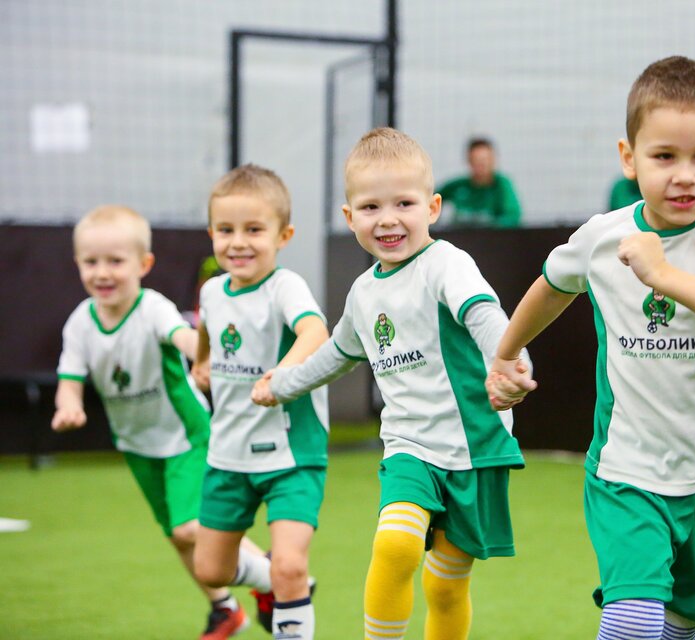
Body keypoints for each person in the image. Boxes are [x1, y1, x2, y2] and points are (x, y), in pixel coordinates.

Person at [487, 56, 695, 640]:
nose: (685, 176)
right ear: (629, 158)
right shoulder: (603, 236)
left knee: (677, 626)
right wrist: (506, 353)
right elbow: (552, 284)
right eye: (664, 156)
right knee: (633, 622)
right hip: (627, 470)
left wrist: (665, 276)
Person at [250, 127, 530, 640]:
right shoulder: (363, 293)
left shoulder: (447, 264)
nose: (387, 219)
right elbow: (336, 355)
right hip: (409, 445)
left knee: (446, 586)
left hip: (475, 446)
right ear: (349, 216)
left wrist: (508, 359)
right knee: (395, 545)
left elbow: (484, 314)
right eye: (370, 206)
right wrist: (285, 383)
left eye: (404, 203)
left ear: (432, 207)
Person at [52, 204, 258, 639]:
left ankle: (273, 575)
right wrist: (68, 406)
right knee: (176, 536)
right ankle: (224, 608)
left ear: (143, 264)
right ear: (78, 264)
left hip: (186, 435)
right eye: (91, 262)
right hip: (136, 444)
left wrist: (205, 355)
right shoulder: (80, 323)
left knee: (190, 527)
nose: (102, 273)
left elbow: (183, 336)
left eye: (115, 261)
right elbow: (69, 379)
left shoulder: (152, 308)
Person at [190, 165, 330, 640]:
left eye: (254, 230)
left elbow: (315, 331)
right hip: (228, 454)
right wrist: (202, 361)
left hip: (291, 456)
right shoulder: (212, 291)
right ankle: (274, 580)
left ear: (283, 235)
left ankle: (287, 583)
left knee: (290, 564)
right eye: (226, 230)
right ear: (212, 233)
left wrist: (280, 375)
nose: (238, 243)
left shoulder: (284, 287)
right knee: (211, 570)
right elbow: (207, 327)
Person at [437, 136, 522, 228]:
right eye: (477, 160)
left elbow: (513, 216)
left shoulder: (501, 185)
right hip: (460, 234)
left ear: (493, 160)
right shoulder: (458, 186)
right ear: (469, 161)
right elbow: (431, 200)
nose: (482, 165)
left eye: (485, 160)